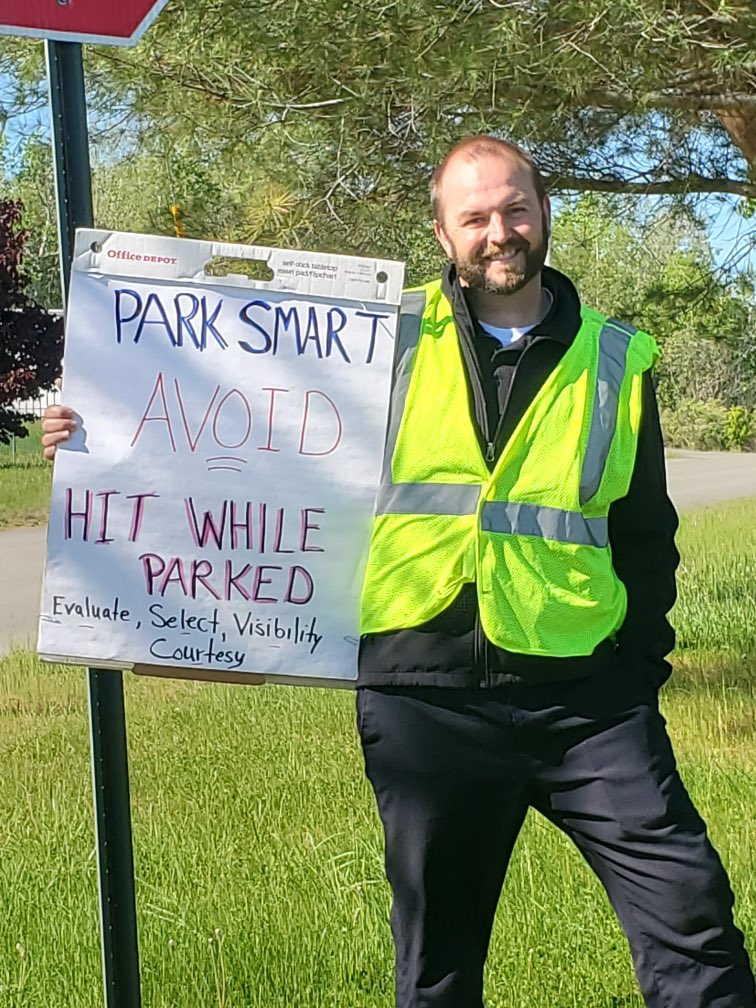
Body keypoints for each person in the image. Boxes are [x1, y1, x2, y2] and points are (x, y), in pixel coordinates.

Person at [42, 136, 756, 1008]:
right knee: (438, 964)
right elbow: (230, 422)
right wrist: (101, 436)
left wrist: (638, 674)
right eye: (477, 217)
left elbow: (646, 538)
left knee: (694, 916)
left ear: (544, 213)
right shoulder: (377, 339)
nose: (501, 231)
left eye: (516, 209)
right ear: (444, 233)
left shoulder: (617, 359)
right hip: (425, 700)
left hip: (588, 705)